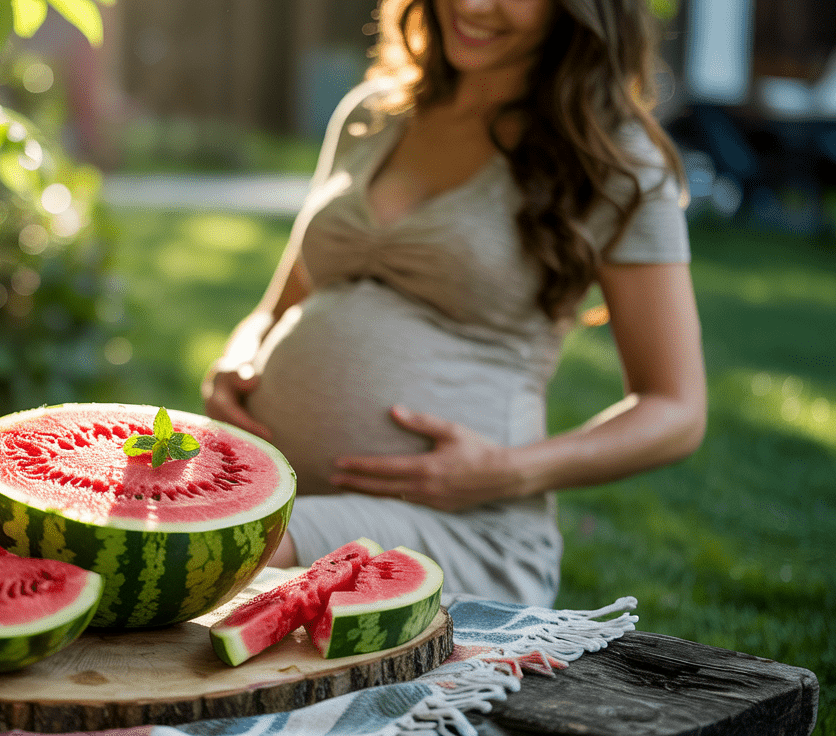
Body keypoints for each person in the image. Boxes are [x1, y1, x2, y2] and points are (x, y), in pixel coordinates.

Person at [202, 0, 706, 606]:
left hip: (464, 527)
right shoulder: (373, 113)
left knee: (225, 549)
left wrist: (507, 471)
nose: (470, 5)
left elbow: (676, 410)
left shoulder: (613, 161)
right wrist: (237, 359)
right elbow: (278, 306)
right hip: (280, 490)